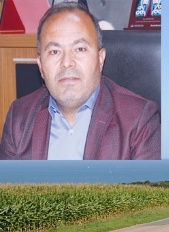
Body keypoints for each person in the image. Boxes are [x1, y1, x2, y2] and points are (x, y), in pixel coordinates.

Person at [0, 2, 160, 160]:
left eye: (80, 49)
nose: (67, 62)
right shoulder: (19, 118)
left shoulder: (139, 120)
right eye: (55, 51)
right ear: (41, 66)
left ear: (100, 59)